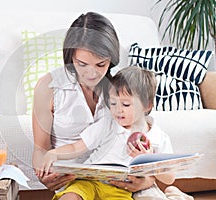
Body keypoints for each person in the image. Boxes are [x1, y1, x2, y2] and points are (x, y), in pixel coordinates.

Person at [32, 11, 156, 195]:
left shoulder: (122, 85)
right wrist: (43, 176)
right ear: (70, 57)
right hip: (75, 184)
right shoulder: (48, 86)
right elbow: (40, 149)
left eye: (100, 64)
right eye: (82, 64)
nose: (92, 74)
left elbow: (147, 139)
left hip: (121, 183)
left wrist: (145, 181)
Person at [38, 66, 194, 200]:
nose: (118, 109)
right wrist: (55, 153)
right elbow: (76, 147)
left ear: (147, 105)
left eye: (126, 104)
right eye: (113, 102)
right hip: (89, 182)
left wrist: (148, 160)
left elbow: (169, 178)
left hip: (120, 189)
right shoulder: (107, 124)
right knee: (70, 196)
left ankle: (175, 195)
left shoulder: (157, 137)